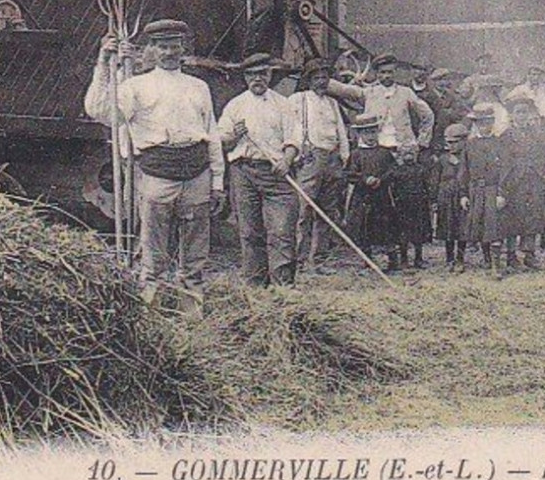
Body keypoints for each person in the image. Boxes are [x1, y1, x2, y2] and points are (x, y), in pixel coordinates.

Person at [84, 19, 224, 304]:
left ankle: (192, 301)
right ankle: (150, 303)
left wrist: (218, 182)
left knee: (196, 245)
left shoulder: (199, 87)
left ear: (183, 48)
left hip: (197, 172)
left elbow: (212, 135)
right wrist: (103, 63)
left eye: (174, 46)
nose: (169, 52)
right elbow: (101, 111)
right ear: (152, 49)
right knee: (153, 246)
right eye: (163, 47)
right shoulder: (136, 87)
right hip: (158, 173)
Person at [219, 53, 302, 287]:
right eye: (253, 74)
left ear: (270, 75)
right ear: (246, 77)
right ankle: (256, 286)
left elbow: (295, 137)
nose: (258, 78)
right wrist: (234, 134)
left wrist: (286, 159)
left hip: (277, 173)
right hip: (244, 171)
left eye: (263, 74)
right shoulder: (235, 106)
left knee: (282, 231)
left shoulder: (283, 104)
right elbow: (221, 139)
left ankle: (283, 286)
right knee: (249, 231)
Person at [290, 56, 351, 267]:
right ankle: (298, 258)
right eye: (316, 78)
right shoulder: (298, 99)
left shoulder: (333, 103)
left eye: (324, 78)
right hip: (310, 157)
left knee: (326, 210)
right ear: (309, 80)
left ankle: (318, 259)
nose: (321, 82)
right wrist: (297, 152)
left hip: (332, 158)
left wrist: (344, 155)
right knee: (303, 209)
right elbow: (290, 127)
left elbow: (341, 131)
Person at [328, 53, 434, 151]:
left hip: (402, 148)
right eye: (383, 72)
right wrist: (325, 81)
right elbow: (344, 90)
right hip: (377, 147)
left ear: (395, 72)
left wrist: (422, 141)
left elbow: (428, 115)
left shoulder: (406, 92)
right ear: (377, 74)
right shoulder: (369, 93)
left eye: (390, 72)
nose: (387, 76)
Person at [498, 96, 545, 272]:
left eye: (525, 112)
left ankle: (530, 254)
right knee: (513, 218)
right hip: (514, 182)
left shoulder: (536, 134)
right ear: (512, 115)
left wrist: (538, 170)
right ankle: (511, 256)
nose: (522, 116)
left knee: (534, 216)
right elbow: (503, 161)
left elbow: (544, 154)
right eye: (518, 112)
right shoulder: (506, 136)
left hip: (533, 179)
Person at [344, 115, 400, 271]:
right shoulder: (356, 154)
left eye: (373, 132)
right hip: (363, 197)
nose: (370, 136)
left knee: (386, 226)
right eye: (366, 133)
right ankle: (367, 260)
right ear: (360, 134)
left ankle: (392, 260)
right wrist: (364, 179)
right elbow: (349, 174)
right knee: (364, 227)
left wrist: (381, 179)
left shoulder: (384, 152)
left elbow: (393, 170)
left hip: (381, 197)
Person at [460, 102, 507, 277]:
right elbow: (464, 171)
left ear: (492, 122)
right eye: (479, 122)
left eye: (487, 122)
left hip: (492, 190)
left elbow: (505, 170)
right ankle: (486, 259)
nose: (483, 126)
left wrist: (501, 193)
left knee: (493, 226)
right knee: (478, 225)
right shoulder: (469, 144)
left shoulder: (499, 143)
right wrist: (464, 194)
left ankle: (496, 265)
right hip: (475, 190)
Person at [388, 143, 433, 270]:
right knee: (403, 234)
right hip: (402, 205)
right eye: (406, 153)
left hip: (419, 204)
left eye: (412, 153)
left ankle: (419, 258)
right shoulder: (396, 170)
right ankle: (404, 259)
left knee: (419, 232)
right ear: (401, 155)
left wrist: (429, 199)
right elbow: (389, 185)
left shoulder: (421, 169)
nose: (409, 156)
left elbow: (427, 186)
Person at [435, 123, 470, 270]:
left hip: (462, 197)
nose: (452, 146)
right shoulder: (442, 159)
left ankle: (460, 258)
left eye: (455, 142)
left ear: (464, 141)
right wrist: (434, 199)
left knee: (462, 228)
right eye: (449, 142)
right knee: (448, 227)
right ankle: (449, 258)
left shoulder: (468, 158)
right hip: (446, 196)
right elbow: (435, 179)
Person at [422, 68, 469, 153]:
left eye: (445, 79)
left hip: (450, 134)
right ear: (434, 82)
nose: (442, 83)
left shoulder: (451, 97)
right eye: (439, 80)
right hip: (433, 135)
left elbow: (459, 113)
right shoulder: (427, 98)